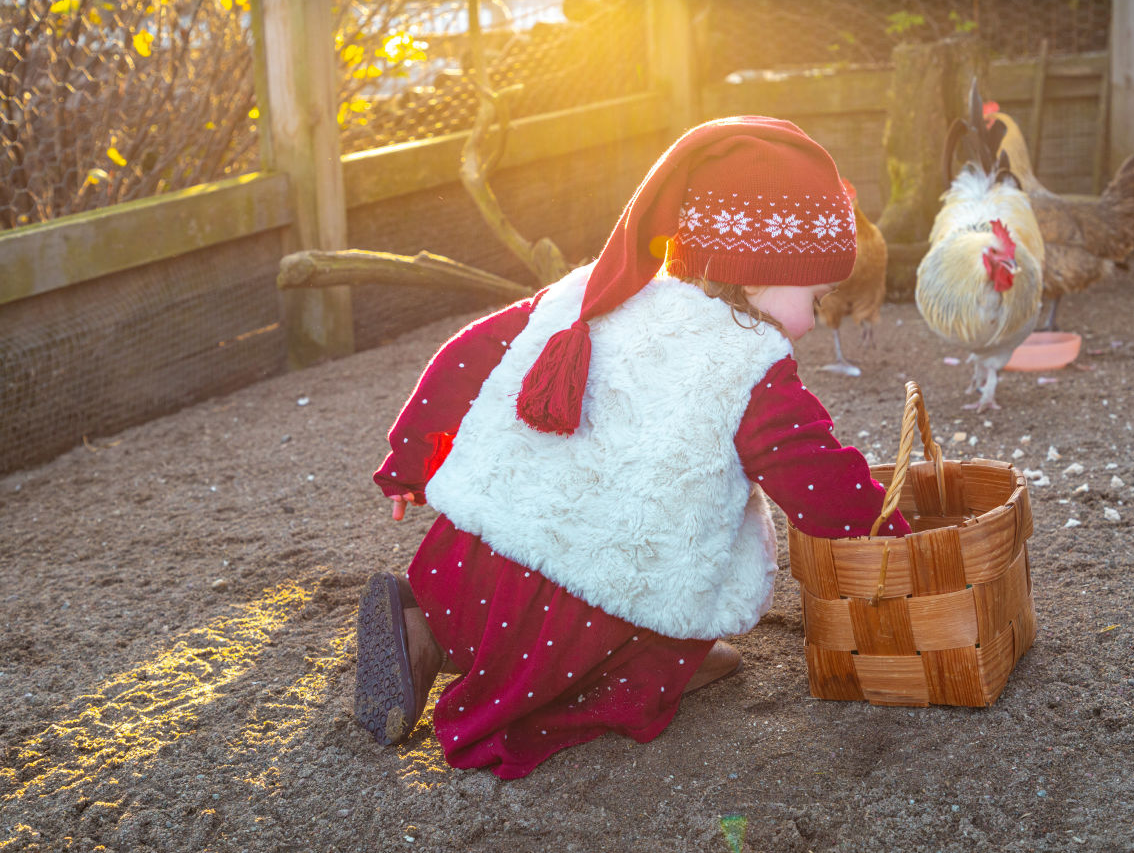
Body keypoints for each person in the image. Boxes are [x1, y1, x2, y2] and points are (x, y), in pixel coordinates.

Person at [354, 115, 912, 780]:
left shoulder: (598, 290)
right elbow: (816, 478)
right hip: (578, 606)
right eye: (816, 301)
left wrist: (411, 459)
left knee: (484, 588)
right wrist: (895, 533)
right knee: (657, 614)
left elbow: (469, 356)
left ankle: (423, 628)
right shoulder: (748, 362)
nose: (814, 322)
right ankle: (632, 657)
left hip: (474, 560)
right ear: (764, 270)